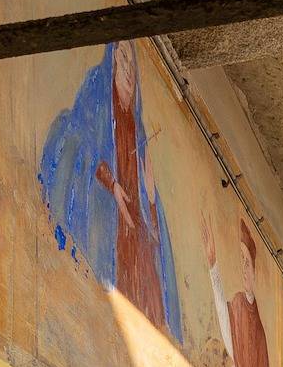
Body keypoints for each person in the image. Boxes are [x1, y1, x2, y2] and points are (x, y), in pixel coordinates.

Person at [38, 42, 183, 344]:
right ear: (113, 61)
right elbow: (81, 138)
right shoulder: (97, 91)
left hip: (132, 235)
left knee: (146, 298)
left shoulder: (138, 130)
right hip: (103, 211)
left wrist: (150, 196)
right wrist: (113, 185)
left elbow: (152, 230)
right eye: (123, 60)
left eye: (133, 66)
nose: (129, 71)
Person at [201, 212, 275, 367]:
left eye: (247, 262)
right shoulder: (238, 304)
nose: (243, 268)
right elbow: (225, 322)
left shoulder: (259, 325)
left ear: (254, 270)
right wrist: (213, 264)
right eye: (241, 260)